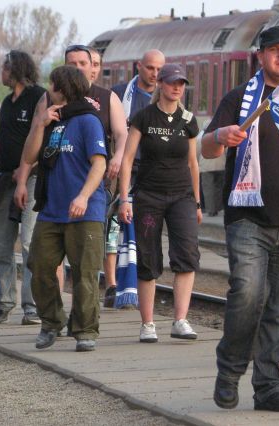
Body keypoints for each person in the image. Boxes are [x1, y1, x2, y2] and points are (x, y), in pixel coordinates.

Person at [201, 25, 279, 412]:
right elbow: (206, 146)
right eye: (275, 50)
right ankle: (229, 372)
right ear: (260, 56)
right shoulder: (240, 99)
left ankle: (268, 387)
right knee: (248, 295)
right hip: (248, 218)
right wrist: (222, 135)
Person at [25, 65, 107, 352]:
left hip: (85, 210)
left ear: (64, 88)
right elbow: (29, 156)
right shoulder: (53, 120)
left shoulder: (88, 121)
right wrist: (40, 124)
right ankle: (52, 322)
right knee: (40, 265)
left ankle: (85, 330)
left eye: (53, 84)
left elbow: (100, 163)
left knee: (85, 273)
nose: (49, 89)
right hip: (52, 209)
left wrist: (84, 196)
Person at [118, 63, 201, 343]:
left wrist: (198, 202)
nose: (177, 88)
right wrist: (124, 198)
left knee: (187, 255)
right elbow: (127, 160)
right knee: (148, 257)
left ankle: (180, 320)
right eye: (172, 82)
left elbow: (193, 163)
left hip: (182, 197)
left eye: (181, 83)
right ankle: (148, 323)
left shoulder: (188, 120)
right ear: (161, 84)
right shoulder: (143, 117)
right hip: (149, 196)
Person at [104, 49, 165, 308]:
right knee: (115, 227)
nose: (155, 74)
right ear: (139, 66)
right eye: (150, 68)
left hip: (151, 171)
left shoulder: (163, 97)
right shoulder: (119, 94)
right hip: (123, 169)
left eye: (159, 70)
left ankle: (136, 283)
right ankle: (111, 285)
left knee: (146, 229)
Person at [0, 50, 45, 325]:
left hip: (33, 178)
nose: (1, 72)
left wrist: (25, 173)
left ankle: (32, 306)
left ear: (14, 70)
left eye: (3, 67)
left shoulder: (38, 96)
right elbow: (1, 139)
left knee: (28, 242)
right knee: (1, 243)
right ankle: (3, 301)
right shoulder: (7, 101)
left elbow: (41, 139)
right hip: (4, 179)